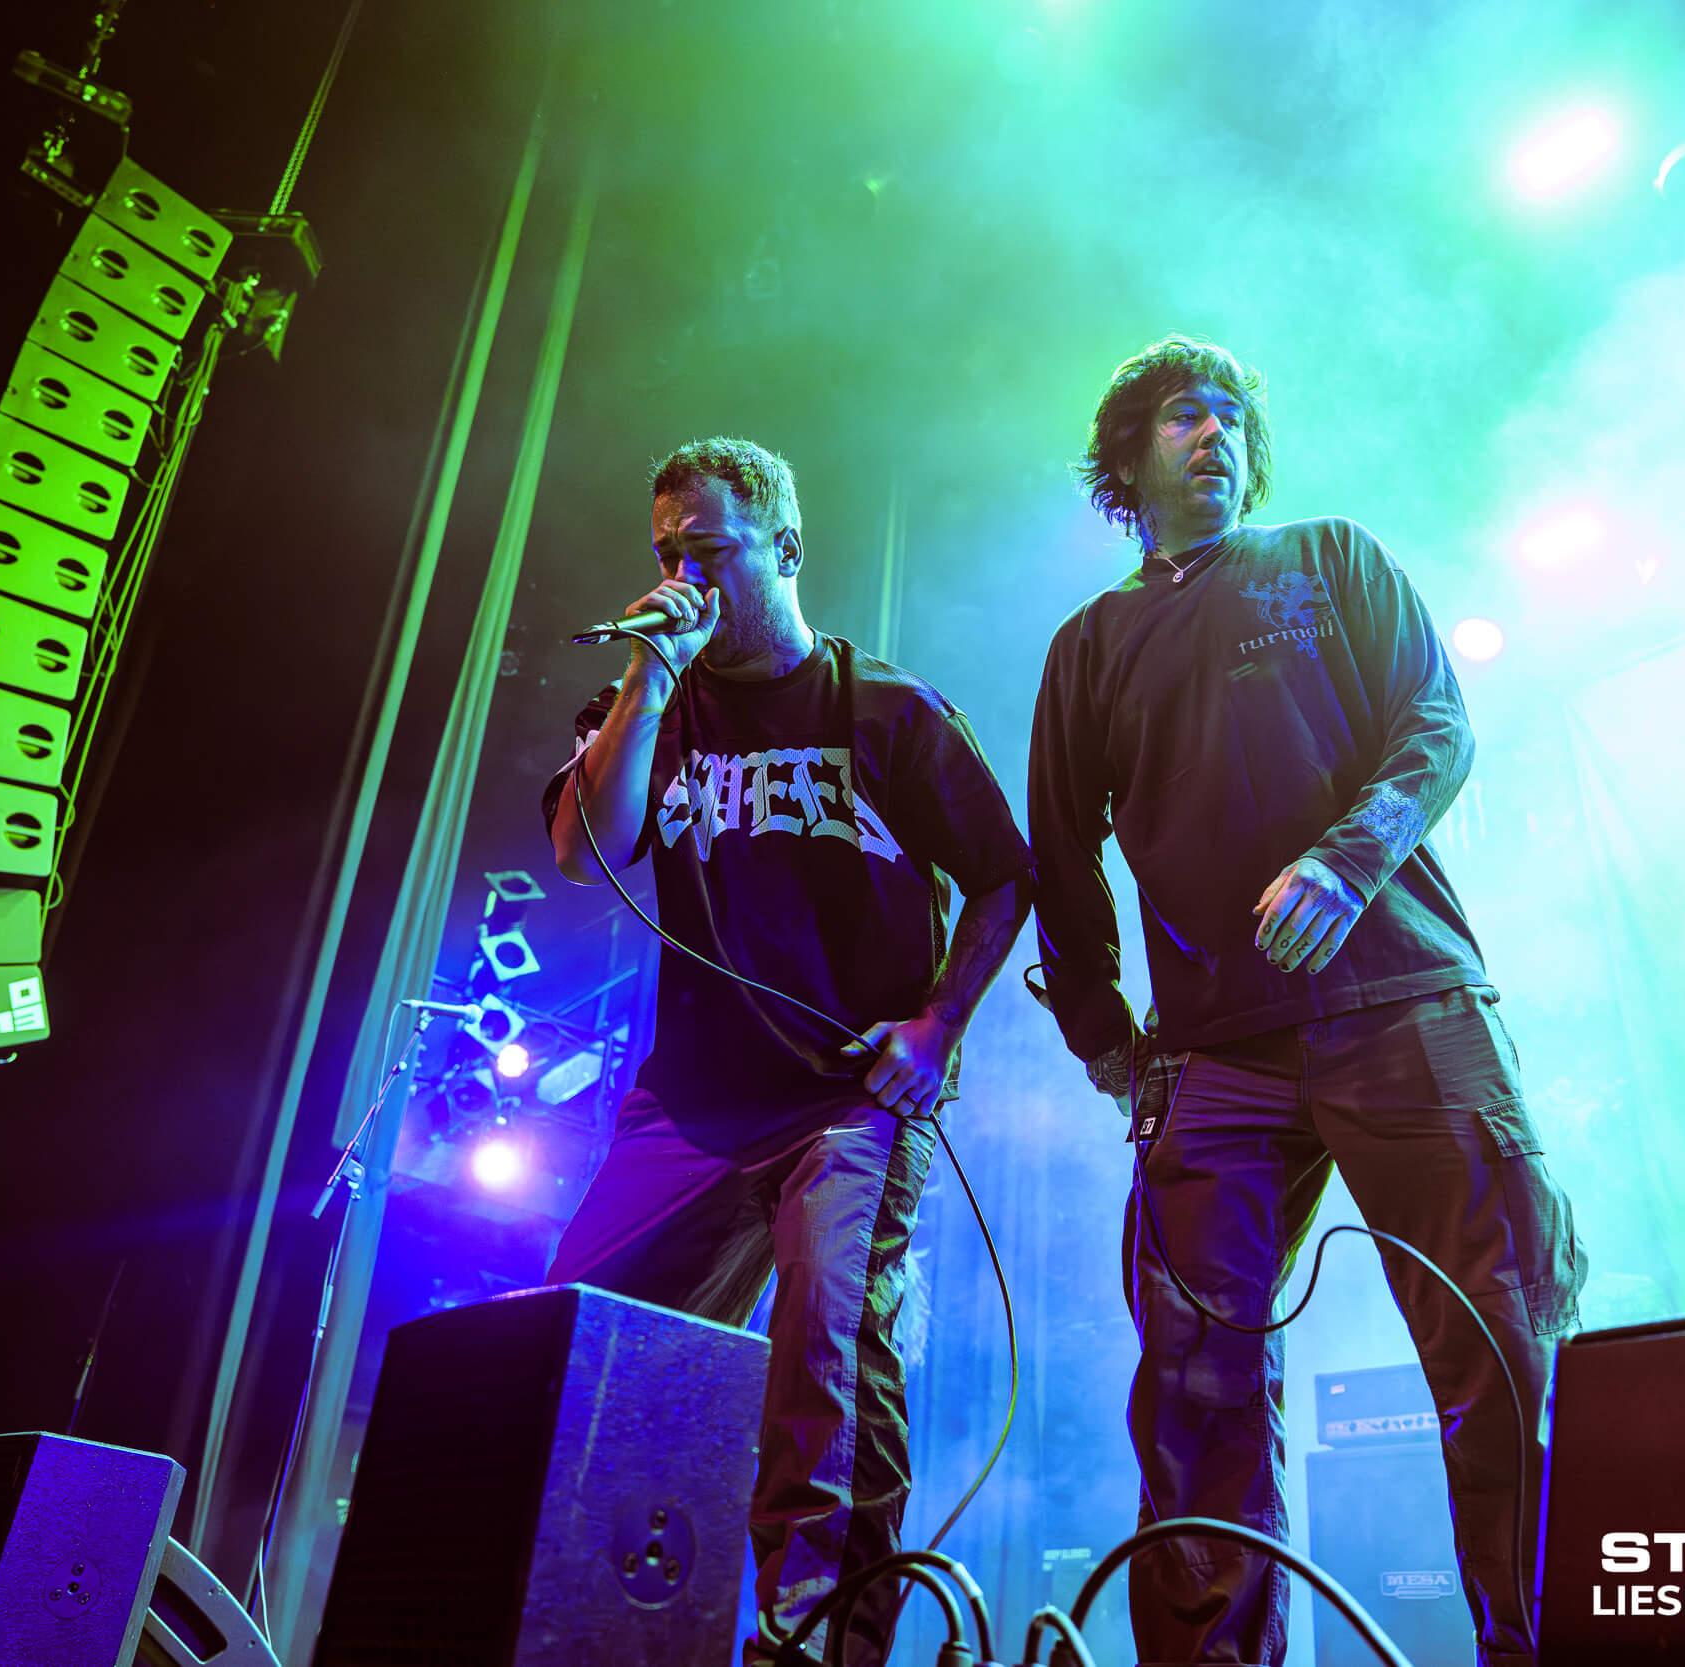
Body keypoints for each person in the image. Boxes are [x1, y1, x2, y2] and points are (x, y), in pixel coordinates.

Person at [1026, 338, 1586, 1667]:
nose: (1214, 434)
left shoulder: (1331, 558)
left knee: (1501, 1341)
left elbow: (1437, 724)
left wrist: (1348, 858)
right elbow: (1057, 851)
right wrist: (1103, 1033)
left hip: (1405, 1003)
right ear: (1126, 458)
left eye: (1230, 415)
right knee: (1193, 1385)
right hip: (1210, 1056)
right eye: (1183, 415)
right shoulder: (1091, 644)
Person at [542, 437, 1033, 1666]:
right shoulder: (647, 709)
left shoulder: (888, 710)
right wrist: (647, 682)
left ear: (786, 548)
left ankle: (813, 1648)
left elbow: (1003, 874)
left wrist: (937, 1024)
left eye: (708, 550)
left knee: (825, 1363)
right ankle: (579, 1633)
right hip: (688, 1106)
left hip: (845, 1100)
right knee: (574, 1346)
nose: (683, 578)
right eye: (667, 553)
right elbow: (583, 853)